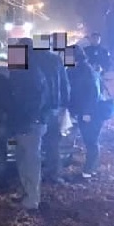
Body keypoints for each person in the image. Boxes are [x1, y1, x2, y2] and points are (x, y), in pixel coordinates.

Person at [8, 38, 50, 210]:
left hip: (30, 123)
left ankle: (32, 199)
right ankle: (26, 192)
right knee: (23, 159)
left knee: (31, 161)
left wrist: (28, 119)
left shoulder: (31, 72)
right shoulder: (24, 69)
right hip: (24, 122)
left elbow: (35, 99)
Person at [34, 46, 71, 184]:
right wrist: (64, 104)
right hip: (53, 107)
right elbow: (64, 83)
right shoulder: (55, 60)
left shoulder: (30, 59)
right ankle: (53, 173)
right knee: (53, 142)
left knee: (33, 142)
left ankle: (34, 175)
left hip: (36, 108)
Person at [68, 46, 103, 178]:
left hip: (91, 112)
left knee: (91, 140)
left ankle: (90, 168)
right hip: (82, 110)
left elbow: (93, 92)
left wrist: (87, 112)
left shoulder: (86, 70)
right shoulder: (76, 69)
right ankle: (90, 167)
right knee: (88, 139)